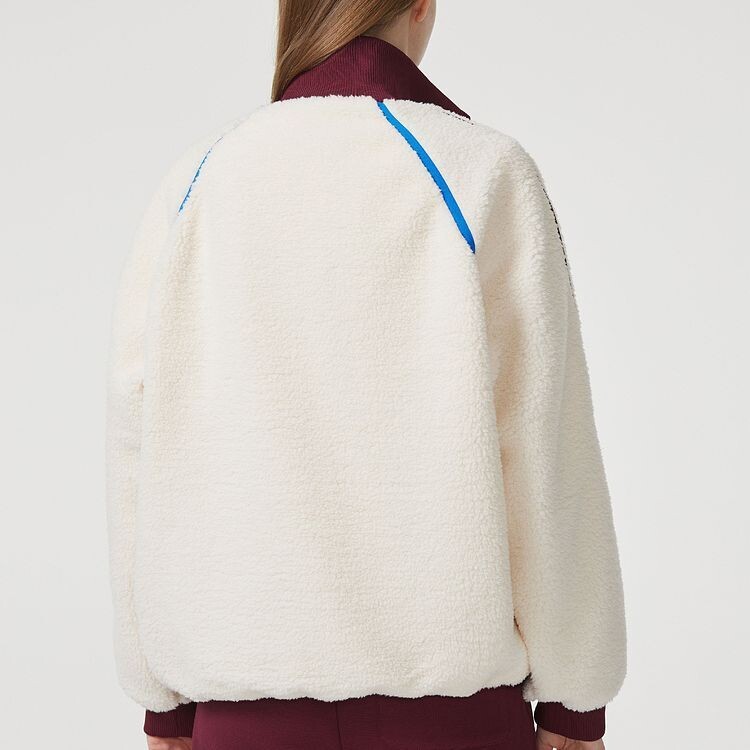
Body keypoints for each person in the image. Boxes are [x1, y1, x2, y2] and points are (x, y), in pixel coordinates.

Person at [105, 1, 627, 748]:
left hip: (241, 720)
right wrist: (577, 701)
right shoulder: (482, 172)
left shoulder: (198, 181)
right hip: (454, 722)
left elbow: (140, 439)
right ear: (421, 4)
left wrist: (162, 701)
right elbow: (546, 450)